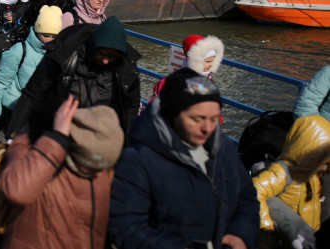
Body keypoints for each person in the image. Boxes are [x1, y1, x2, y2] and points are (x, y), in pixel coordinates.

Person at [108, 68, 260, 249]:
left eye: (213, 119)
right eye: (197, 119)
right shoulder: (138, 160)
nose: (208, 129)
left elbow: (246, 197)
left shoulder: (223, 148)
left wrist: (241, 235)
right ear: (173, 113)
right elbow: (124, 228)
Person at [0, 99, 124, 249]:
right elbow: (15, 190)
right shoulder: (102, 171)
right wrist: (55, 140)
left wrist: (55, 137)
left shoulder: (102, 173)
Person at [9, 16, 141, 139]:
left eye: (112, 57)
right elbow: (33, 94)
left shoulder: (127, 70)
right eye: (102, 54)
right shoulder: (62, 56)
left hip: (99, 134)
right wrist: (14, 135)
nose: (106, 61)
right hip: (57, 128)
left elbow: (130, 108)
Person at [251, 115, 330, 249]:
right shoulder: (283, 171)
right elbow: (254, 190)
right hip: (282, 237)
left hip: (302, 235)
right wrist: (266, 223)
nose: (327, 167)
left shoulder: (313, 175)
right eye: (325, 162)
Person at [0, 6, 62, 133]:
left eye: (54, 36)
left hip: (40, 116)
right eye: (46, 35)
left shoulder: (57, 55)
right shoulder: (19, 50)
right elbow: (0, 82)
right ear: (37, 31)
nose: (49, 40)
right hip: (15, 112)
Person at [148, 34, 225, 104]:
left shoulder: (206, 79)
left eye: (213, 61)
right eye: (208, 61)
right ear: (196, 61)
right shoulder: (176, 84)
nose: (211, 65)